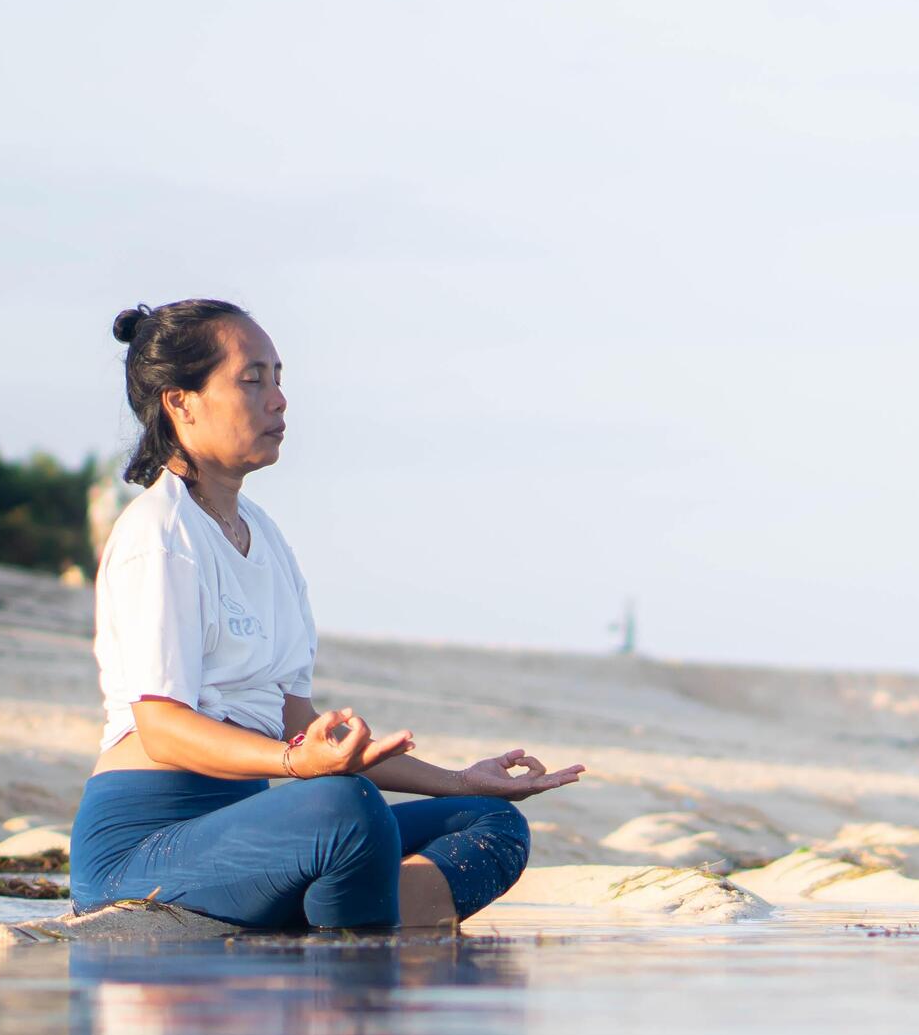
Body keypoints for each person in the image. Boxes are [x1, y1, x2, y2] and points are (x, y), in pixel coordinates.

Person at [70, 299, 584, 932]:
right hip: (143, 849)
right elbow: (162, 729)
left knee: (489, 825)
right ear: (182, 402)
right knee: (344, 809)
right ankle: (345, 979)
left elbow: (297, 723)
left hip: (251, 833)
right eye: (251, 379)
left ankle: (331, 936)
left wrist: (458, 779)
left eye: (279, 378)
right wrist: (295, 765)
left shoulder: (265, 538)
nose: (279, 400)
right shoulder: (160, 533)